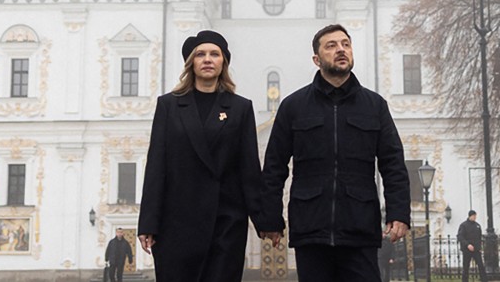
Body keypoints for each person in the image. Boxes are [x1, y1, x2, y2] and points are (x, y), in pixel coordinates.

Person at [258, 24, 410, 282]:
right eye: (331, 45)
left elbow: (392, 162)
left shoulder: (374, 106)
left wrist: (398, 213)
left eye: (345, 44)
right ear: (317, 60)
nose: (341, 50)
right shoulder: (294, 106)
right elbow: (274, 166)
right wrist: (270, 218)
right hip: (311, 226)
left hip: (359, 225)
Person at [138, 30, 262, 282]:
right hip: (176, 224)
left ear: (223, 63)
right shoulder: (169, 106)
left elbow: (249, 169)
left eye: (214, 54)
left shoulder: (240, 108)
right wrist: (148, 223)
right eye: (200, 54)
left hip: (225, 223)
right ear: (191, 63)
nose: (207, 59)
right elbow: (156, 166)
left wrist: (266, 221)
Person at [457, 210, 487, 282]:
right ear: (470, 216)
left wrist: (479, 247)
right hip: (467, 249)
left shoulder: (477, 225)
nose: (475, 217)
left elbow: (479, 238)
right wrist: (467, 245)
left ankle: (484, 280)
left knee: (480, 265)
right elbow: (460, 237)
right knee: (466, 267)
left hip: (476, 249)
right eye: (474, 216)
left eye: (475, 216)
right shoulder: (463, 225)